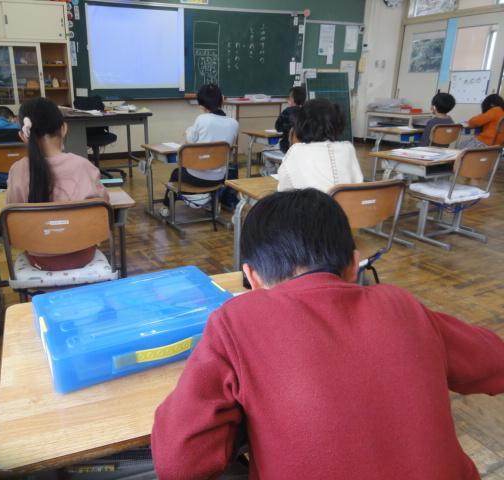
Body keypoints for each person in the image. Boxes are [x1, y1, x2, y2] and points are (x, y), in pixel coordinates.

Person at [151, 189, 504, 480]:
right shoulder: (402, 304)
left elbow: (179, 464)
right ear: (353, 265)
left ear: (251, 277)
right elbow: (496, 362)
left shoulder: (234, 321)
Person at [6, 97, 109, 271]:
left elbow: (12, 217)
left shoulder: (17, 170)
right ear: (64, 128)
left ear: (23, 136)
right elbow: (105, 209)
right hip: (84, 254)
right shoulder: (84, 166)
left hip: (39, 259)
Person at [159, 83, 239, 217]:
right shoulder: (234, 123)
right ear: (222, 99)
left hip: (197, 177)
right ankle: (209, 202)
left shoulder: (202, 120)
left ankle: (166, 207)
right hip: (220, 178)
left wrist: (188, 131)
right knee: (204, 167)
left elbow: (191, 140)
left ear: (201, 105)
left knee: (176, 173)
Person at [276, 98, 363, 193]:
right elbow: (358, 183)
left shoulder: (296, 151)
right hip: (347, 202)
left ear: (302, 124)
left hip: (313, 202)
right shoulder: (348, 148)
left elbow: (283, 189)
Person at [275, 85, 306, 154]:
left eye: (289, 97)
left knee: (267, 149)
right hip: (304, 148)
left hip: (288, 147)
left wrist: (290, 107)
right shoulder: (307, 111)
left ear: (292, 99)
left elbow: (278, 127)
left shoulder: (287, 111)